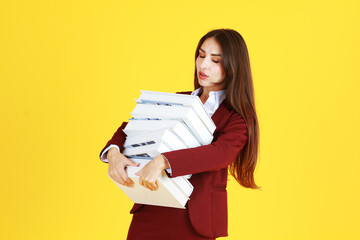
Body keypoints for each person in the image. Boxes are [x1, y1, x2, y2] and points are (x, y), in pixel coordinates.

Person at [99, 28, 260, 240]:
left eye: (215, 60)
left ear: (233, 66)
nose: (203, 65)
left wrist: (163, 161)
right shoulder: (179, 99)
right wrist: (113, 153)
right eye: (201, 55)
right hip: (152, 208)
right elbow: (132, 127)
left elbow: (219, 153)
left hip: (196, 220)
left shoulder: (238, 116)